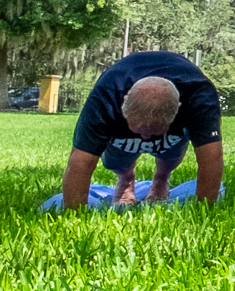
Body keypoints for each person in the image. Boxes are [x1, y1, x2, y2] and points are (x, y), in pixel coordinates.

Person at [59, 51, 223, 210]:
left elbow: (211, 158)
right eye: (138, 129)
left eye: (154, 131)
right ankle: (126, 179)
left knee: (170, 145)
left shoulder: (199, 98)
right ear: (124, 102)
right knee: (116, 155)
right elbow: (80, 162)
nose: (145, 137)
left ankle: (161, 180)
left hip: (180, 111)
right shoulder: (106, 96)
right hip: (118, 102)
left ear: (178, 110)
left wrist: (204, 211)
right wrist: (75, 214)